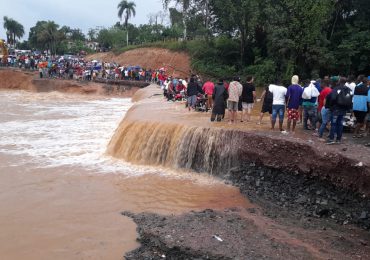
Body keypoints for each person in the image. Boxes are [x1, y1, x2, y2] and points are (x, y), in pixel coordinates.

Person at [327, 77, 352, 144]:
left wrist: (330, 106)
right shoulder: (348, 89)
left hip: (336, 109)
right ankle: (338, 139)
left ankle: (331, 139)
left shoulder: (336, 88)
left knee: (334, 124)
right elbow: (350, 99)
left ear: (339, 81)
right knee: (340, 124)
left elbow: (332, 98)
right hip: (343, 109)